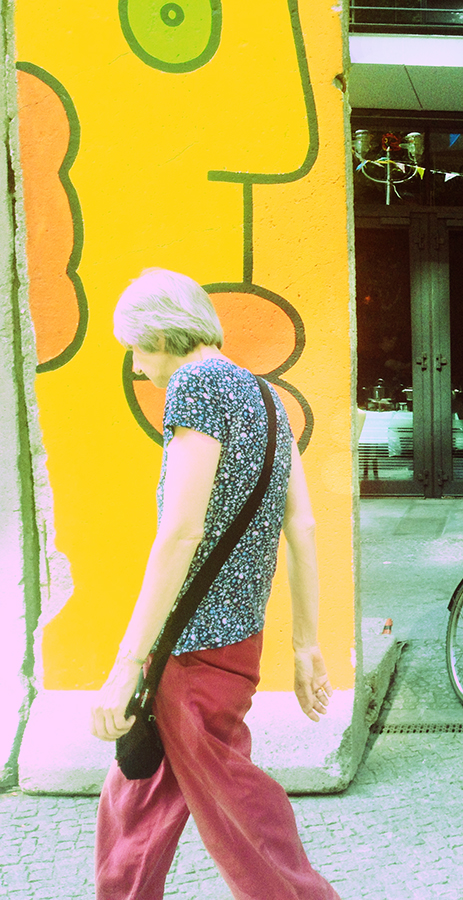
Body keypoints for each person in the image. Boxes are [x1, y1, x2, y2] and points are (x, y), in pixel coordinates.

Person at [91, 269, 341, 899]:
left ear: (158, 337)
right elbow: (303, 527)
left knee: (238, 811)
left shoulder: (195, 386)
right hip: (234, 642)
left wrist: (127, 665)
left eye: (137, 351)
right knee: (140, 799)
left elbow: (181, 532)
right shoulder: (266, 398)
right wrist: (307, 648)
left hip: (189, 649)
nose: (140, 368)